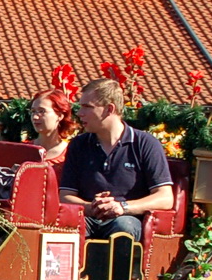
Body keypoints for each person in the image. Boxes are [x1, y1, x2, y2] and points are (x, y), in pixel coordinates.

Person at [59, 78, 174, 240]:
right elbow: (64, 195)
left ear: (109, 109)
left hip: (127, 218)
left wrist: (123, 207)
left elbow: (165, 198)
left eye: (87, 107)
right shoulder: (78, 145)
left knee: (123, 227)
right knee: (67, 226)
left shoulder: (145, 144)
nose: (79, 113)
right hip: (88, 217)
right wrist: (90, 207)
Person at [28, 87, 75, 164]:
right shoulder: (23, 150)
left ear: (60, 115)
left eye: (42, 111)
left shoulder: (72, 153)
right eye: (33, 111)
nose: (35, 117)